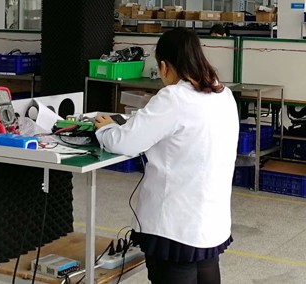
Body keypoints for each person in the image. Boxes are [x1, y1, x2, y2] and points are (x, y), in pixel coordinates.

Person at [94, 28, 237, 284]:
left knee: (175, 270)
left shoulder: (174, 97)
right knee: (205, 267)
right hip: (210, 218)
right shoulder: (222, 94)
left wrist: (105, 129)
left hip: (174, 223)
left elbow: (127, 142)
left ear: (164, 66)